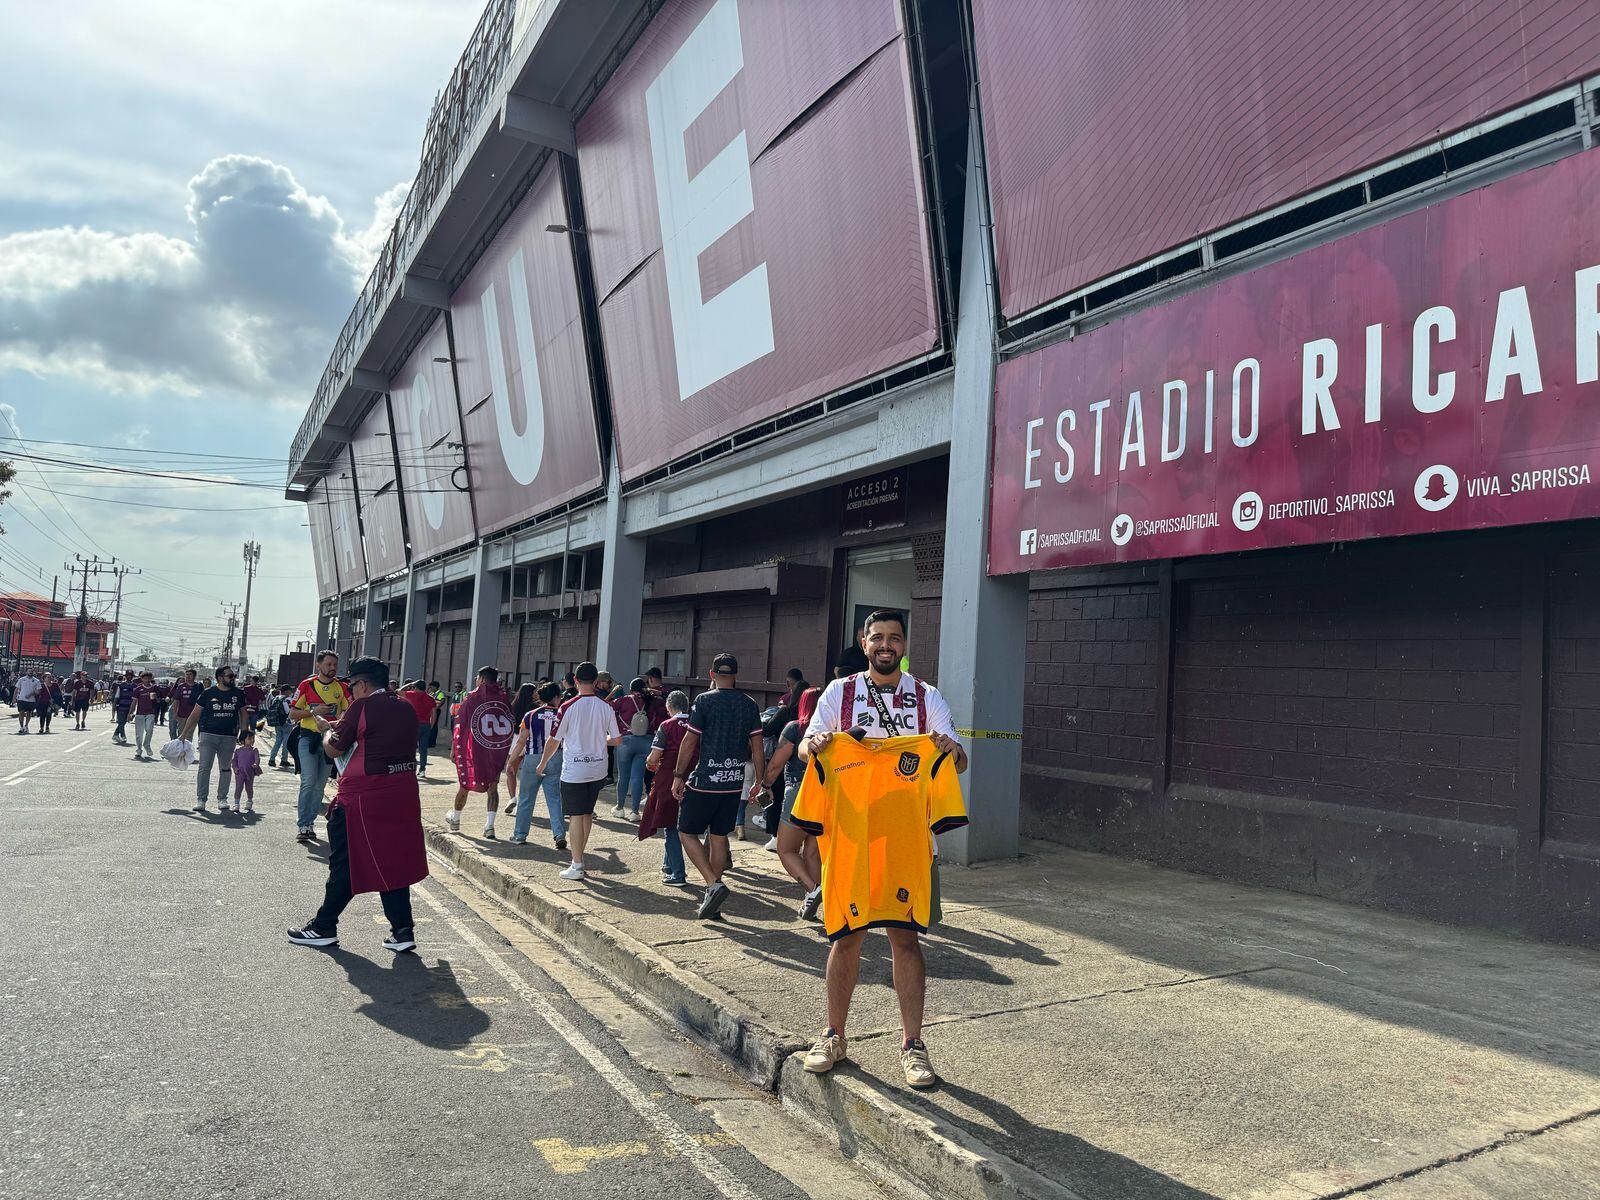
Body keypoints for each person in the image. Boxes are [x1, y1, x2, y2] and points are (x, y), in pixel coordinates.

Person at [795, 609, 968, 1090]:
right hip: (851, 835)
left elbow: (959, 758)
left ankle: (913, 1045)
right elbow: (808, 748)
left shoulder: (926, 696)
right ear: (863, 641)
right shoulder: (839, 693)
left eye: (894, 638)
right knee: (845, 938)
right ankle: (834, 1035)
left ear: (905, 644)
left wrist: (948, 748)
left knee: (904, 939)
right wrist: (821, 744)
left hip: (908, 838)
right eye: (877, 638)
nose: (885, 645)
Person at [287, 655, 426, 953]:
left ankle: (324, 926)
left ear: (361, 684)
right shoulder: (405, 706)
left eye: (351, 686)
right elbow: (377, 737)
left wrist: (326, 730)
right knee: (393, 863)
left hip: (363, 797)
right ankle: (402, 930)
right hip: (402, 794)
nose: (350, 692)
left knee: (345, 863)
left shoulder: (362, 706)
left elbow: (335, 745)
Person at [671, 653, 766, 920]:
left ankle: (713, 884)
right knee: (719, 836)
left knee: (686, 832)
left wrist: (679, 775)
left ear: (711, 674)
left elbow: (690, 741)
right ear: (735, 675)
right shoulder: (749, 704)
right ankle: (713, 896)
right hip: (734, 781)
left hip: (705, 780)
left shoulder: (703, 701)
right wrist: (759, 781)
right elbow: (757, 746)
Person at [533, 661, 623, 881]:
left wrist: (542, 763)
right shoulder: (606, 707)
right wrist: (601, 740)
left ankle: (577, 864)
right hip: (598, 768)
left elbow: (554, 740)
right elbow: (618, 740)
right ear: (596, 681)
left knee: (574, 815)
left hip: (575, 769)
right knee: (586, 813)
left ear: (575, 680)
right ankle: (579, 856)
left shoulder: (567, 707)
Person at [288, 651, 351, 844]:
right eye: (329, 664)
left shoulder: (342, 688)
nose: (332, 668)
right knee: (308, 780)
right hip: (307, 739)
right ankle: (302, 825)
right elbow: (292, 713)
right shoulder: (306, 685)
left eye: (335, 665)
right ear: (318, 665)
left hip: (330, 741)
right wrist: (313, 712)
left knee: (319, 785)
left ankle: (310, 824)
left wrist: (337, 722)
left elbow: (348, 712)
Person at [448, 667, 513, 838]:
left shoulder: (472, 697)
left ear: (482, 679)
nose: (476, 680)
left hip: (475, 749)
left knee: (465, 783)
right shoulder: (504, 698)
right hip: (495, 750)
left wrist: (455, 748)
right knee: (493, 787)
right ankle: (489, 826)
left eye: (477, 678)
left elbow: (460, 725)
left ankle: (455, 818)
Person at [641, 689, 695, 887]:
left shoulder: (666, 725)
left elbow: (654, 757)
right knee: (686, 824)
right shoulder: (697, 725)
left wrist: (649, 763)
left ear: (669, 707)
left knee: (670, 824)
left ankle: (678, 873)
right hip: (695, 778)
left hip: (669, 778)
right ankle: (668, 865)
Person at [178, 665, 246, 814]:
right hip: (208, 735)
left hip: (229, 736)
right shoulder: (208, 693)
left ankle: (222, 798)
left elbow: (243, 713)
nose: (232, 678)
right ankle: (201, 799)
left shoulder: (238, 694)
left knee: (225, 768)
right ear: (220, 678)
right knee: (204, 767)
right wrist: (183, 734)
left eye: (233, 676)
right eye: (230, 676)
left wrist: (244, 731)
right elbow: (195, 714)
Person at [506, 682, 565, 848]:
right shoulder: (561, 715)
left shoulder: (530, 715)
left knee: (526, 798)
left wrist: (511, 762)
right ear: (555, 697)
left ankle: (520, 835)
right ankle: (559, 833)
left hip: (532, 758)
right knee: (554, 799)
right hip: (556, 757)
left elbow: (521, 741)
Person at [610, 676, 663, 821]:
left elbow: (607, 708)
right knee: (637, 776)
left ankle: (620, 808)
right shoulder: (653, 701)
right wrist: (655, 692)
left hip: (626, 741)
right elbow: (666, 704)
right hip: (646, 741)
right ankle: (634, 812)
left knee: (623, 776)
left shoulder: (623, 700)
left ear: (631, 689)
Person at [400, 680, 438, 777]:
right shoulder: (431, 699)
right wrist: (431, 726)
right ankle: (422, 769)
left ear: (415, 687)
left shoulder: (412, 694)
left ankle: (410, 768)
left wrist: (409, 684)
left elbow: (398, 691)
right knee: (423, 749)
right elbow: (434, 714)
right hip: (426, 725)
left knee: (410, 748)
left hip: (414, 725)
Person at [130, 670, 159, 761]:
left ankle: (147, 745)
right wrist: (130, 713)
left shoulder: (155, 688)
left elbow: (158, 700)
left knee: (149, 729)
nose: (147, 680)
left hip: (150, 712)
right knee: (139, 733)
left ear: (151, 679)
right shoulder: (138, 689)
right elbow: (134, 702)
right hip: (140, 713)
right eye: (145, 678)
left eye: (149, 678)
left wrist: (156, 698)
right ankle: (139, 750)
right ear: (142, 679)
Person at [231, 730, 262, 814]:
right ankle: (236, 804)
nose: (251, 740)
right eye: (249, 738)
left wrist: (256, 764)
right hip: (240, 772)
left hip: (250, 772)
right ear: (242, 740)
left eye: (252, 738)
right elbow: (234, 761)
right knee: (238, 788)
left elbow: (257, 758)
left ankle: (249, 801)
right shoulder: (238, 751)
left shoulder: (254, 750)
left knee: (249, 787)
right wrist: (235, 768)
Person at [169, 669, 202, 742]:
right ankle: (180, 750)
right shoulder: (181, 687)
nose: (188, 676)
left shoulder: (199, 687)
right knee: (181, 733)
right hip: (182, 714)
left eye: (190, 674)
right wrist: (175, 712)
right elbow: (176, 700)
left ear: (194, 676)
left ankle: (186, 751)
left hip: (193, 715)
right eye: (187, 675)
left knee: (189, 734)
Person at [264, 684, 293, 766]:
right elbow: (288, 712)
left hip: (277, 722)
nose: (291, 692)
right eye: (290, 690)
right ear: (287, 691)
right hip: (287, 723)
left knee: (278, 741)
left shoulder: (276, 698)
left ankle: (272, 759)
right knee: (286, 742)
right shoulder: (287, 699)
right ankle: (284, 760)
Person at [111, 670, 136, 744]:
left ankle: (115, 735)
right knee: (121, 722)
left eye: (131, 675)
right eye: (128, 675)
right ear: (126, 676)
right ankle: (123, 736)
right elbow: (117, 696)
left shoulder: (135, 686)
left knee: (124, 722)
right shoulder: (121, 685)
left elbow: (136, 698)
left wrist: (134, 708)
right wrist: (114, 706)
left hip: (130, 707)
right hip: (121, 706)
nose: (129, 677)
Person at [13, 669, 40, 734]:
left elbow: (38, 691)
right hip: (21, 699)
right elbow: (16, 689)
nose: (30, 672)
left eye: (31, 671)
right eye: (29, 671)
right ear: (26, 672)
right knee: (21, 713)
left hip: (31, 700)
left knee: (29, 713)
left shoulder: (36, 681)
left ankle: (26, 725)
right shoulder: (21, 679)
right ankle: (21, 727)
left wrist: (32, 693)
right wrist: (14, 698)